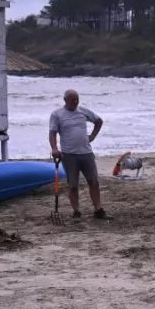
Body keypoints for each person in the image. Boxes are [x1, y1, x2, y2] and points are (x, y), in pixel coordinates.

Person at [48, 89, 113, 220]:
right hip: (69, 155)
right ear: (65, 100)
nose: (75, 101)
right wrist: (55, 148)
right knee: (73, 185)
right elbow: (52, 133)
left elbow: (98, 121)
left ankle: (98, 210)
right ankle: (76, 211)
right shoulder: (57, 114)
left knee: (93, 182)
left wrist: (92, 136)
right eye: (72, 99)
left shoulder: (83, 111)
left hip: (86, 153)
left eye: (77, 99)